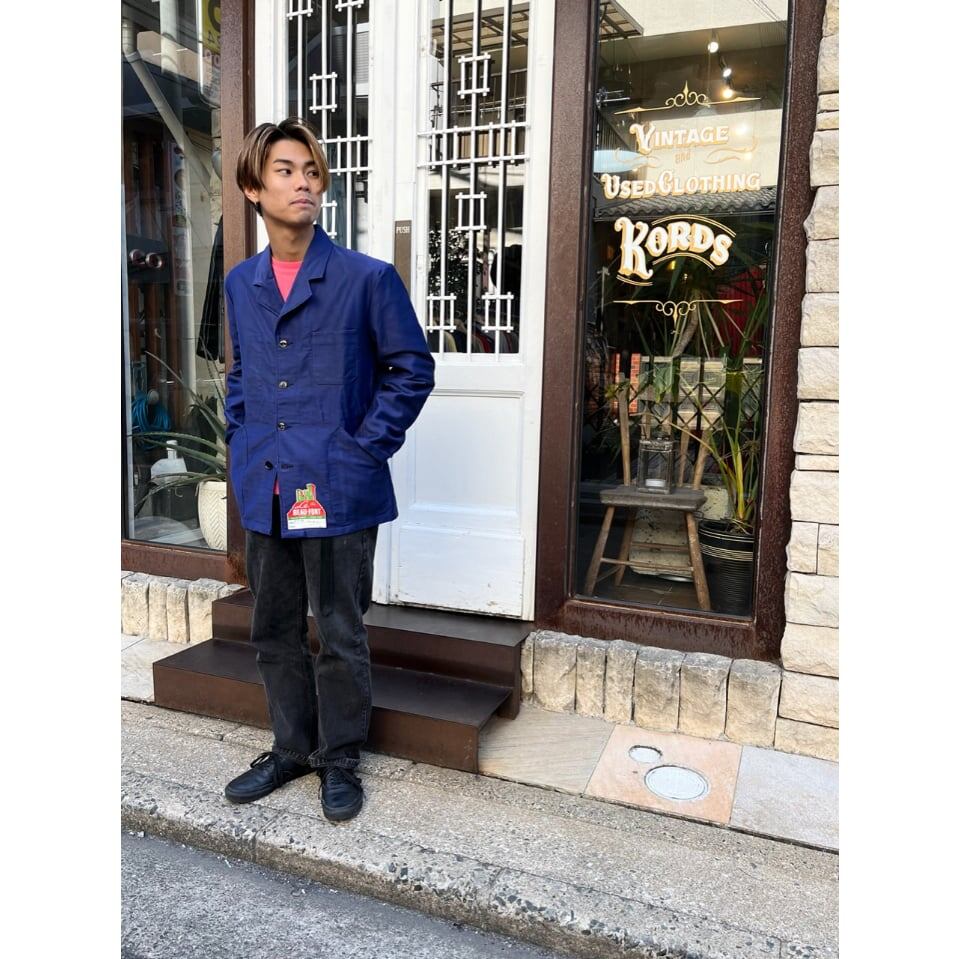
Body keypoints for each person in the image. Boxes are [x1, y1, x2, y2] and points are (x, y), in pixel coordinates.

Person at [221, 118, 435, 821]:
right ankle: (290, 748)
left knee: (340, 629)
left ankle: (339, 757)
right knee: (272, 627)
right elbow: (242, 373)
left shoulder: (366, 278)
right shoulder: (241, 282)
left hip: (336, 486)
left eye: (312, 171)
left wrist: (363, 447)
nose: (304, 183)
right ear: (254, 188)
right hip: (268, 483)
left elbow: (411, 369)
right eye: (285, 171)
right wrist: (240, 438)